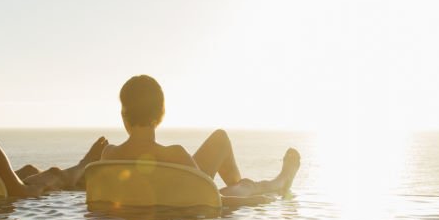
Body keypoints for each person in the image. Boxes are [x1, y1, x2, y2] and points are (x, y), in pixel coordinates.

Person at [102, 75, 300, 198]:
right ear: (161, 113)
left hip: (166, 197)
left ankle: (250, 184)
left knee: (220, 140)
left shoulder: (108, 155)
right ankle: (279, 182)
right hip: (186, 202)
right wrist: (253, 199)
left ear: (123, 115)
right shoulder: (175, 155)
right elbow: (209, 196)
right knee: (241, 185)